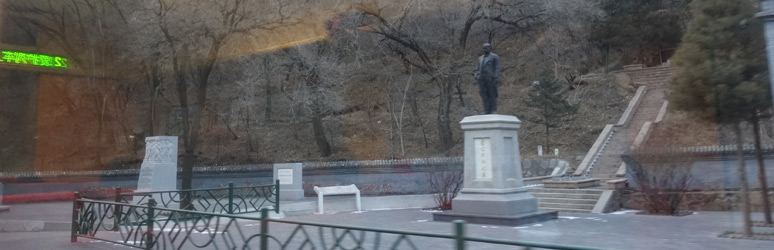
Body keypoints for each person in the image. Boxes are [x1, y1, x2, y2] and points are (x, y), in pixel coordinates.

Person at [474, 43, 500, 114]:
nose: (484, 49)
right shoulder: (480, 58)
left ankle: (493, 110)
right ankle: (486, 109)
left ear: (489, 48)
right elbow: (477, 68)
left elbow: (497, 68)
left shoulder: (494, 57)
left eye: (486, 48)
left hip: (491, 78)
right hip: (481, 79)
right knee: (484, 95)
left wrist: (496, 77)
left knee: (492, 94)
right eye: (483, 48)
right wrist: (476, 74)